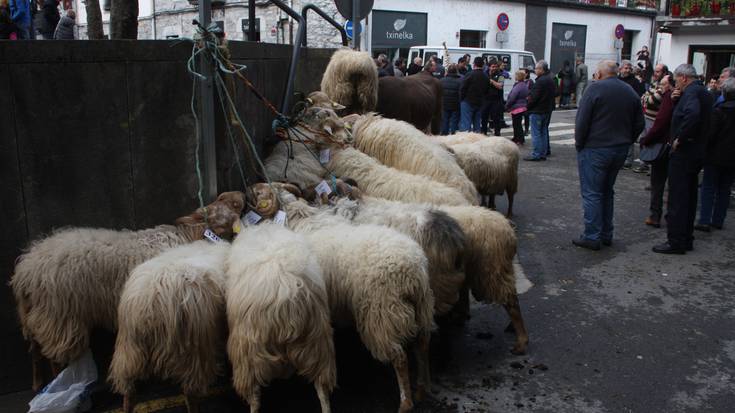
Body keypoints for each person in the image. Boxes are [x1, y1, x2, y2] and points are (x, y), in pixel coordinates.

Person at [573, 60, 645, 250]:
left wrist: (580, 143)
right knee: (607, 191)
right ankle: (606, 233)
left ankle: (592, 235)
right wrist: (628, 140)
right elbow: (640, 122)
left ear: (601, 73)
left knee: (592, 193)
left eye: (596, 72)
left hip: (596, 148)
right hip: (619, 148)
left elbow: (582, 121)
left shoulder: (594, 90)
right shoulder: (630, 91)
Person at [653, 64, 713, 254]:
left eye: (677, 79)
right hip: (697, 151)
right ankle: (685, 237)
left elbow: (692, 115)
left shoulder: (691, 93)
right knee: (688, 196)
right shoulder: (703, 92)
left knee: (678, 197)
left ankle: (676, 240)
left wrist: (680, 137)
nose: (675, 82)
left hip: (685, 152)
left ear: (684, 78)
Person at [695, 78, 735, 232]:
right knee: (724, 189)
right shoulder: (719, 110)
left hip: (715, 155)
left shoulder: (719, 111)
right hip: (731, 157)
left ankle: (705, 219)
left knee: (709, 187)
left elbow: (710, 135)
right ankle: (718, 219)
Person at [639, 74, 675, 228]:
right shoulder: (677, 96)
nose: (661, 86)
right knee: (666, 183)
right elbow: (645, 99)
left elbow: (661, 122)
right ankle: (667, 215)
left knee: (658, 183)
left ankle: (656, 215)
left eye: (664, 84)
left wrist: (646, 140)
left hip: (664, 144)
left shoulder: (668, 97)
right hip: (671, 144)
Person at [524, 60, 556, 161]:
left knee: (536, 133)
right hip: (547, 109)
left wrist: (527, 106)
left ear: (542, 69)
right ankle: (543, 152)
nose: (535, 70)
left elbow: (534, 97)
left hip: (538, 110)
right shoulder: (550, 79)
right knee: (543, 131)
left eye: (537, 68)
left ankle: (536, 153)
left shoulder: (540, 81)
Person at [459, 56, 490, 132]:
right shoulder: (486, 76)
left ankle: (467, 141)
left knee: (466, 124)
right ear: (482, 65)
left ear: (474, 64)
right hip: (479, 102)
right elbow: (487, 90)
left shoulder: (469, 74)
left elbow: (463, 88)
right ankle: (477, 139)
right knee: (477, 123)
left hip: (467, 102)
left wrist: (461, 99)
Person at [481, 59, 505, 136]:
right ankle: (483, 133)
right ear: (489, 67)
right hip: (486, 100)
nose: (494, 68)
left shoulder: (501, 75)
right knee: (484, 117)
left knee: (496, 118)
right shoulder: (484, 74)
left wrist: (491, 81)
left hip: (496, 100)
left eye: (496, 67)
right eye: (493, 67)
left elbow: (500, 86)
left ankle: (497, 133)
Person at [506, 70, 529, 145]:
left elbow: (513, 97)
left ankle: (518, 138)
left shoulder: (518, 86)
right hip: (523, 106)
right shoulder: (524, 85)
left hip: (517, 107)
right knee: (518, 124)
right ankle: (518, 137)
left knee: (516, 124)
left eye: (516, 75)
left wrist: (507, 105)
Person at [441, 63, 462, 135]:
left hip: (444, 104)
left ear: (448, 71)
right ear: (456, 71)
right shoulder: (460, 81)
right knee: (454, 121)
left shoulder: (442, 80)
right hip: (456, 105)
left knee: (445, 121)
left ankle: (444, 135)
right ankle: (453, 135)